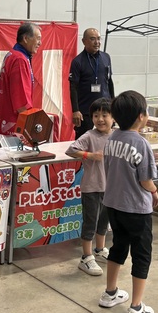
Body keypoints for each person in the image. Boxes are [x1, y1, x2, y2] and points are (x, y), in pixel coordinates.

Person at [98, 91, 158, 313]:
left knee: (118, 246)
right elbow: (145, 180)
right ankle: (136, 308)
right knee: (142, 255)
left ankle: (110, 293)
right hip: (137, 208)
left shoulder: (112, 138)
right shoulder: (141, 143)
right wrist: (154, 191)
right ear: (141, 116)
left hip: (113, 204)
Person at [66, 98, 113, 276]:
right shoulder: (89, 136)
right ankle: (86, 257)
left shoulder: (116, 136)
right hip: (91, 188)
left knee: (104, 222)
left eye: (104, 115)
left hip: (109, 188)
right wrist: (90, 155)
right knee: (90, 223)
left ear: (113, 117)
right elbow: (71, 150)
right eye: (96, 115)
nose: (100, 119)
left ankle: (100, 249)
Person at [0, 22, 42, 141]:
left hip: (4, 121)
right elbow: (21, 102)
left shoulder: (12, 54)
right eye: (38, 38)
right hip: (14, 127)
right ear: (25, 38)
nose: (40, 43)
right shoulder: (20, 60)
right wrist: (31, 128)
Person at [69, 28, 114, 139]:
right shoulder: (77, 61)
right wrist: (75, 110)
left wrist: (114, 105)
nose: (97, 42)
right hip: (85, 111)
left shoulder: (106, 57)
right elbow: (73, 87)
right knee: (83, 140)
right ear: (84, 41)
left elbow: (109, 81)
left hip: (105, 109)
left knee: (106, 139)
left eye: (98, 39)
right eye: (93, 39)